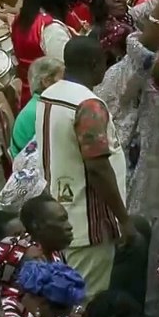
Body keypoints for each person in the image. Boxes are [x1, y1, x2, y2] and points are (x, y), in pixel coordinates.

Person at [36, 37, 129, 298]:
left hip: (58, 212)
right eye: (104, 63)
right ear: (94, 63)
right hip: (89, 224)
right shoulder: (88, 105)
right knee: (85, 301)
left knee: (63, 296)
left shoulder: (49, 93)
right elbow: (98, 168)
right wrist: (124, 220)